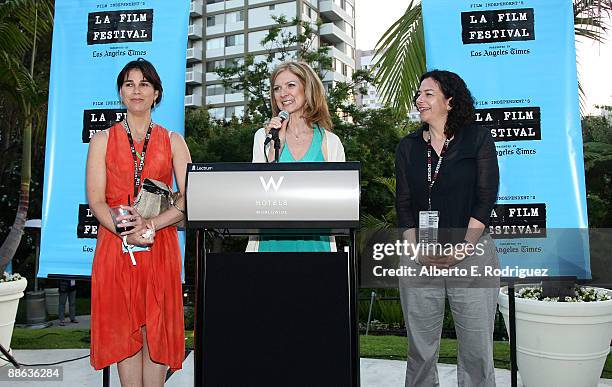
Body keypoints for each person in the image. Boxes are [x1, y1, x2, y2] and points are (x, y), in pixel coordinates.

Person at [86, 58, 191, 386]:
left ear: (156, 93)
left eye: (144, 84)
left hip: (159, 246)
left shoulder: (173, 141)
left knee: (155, 328)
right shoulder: (101, 140)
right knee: (125, 328)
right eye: (129, 84)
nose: (136, 90)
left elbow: (189, 199)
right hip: (116, 247)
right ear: (120, 92)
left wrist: (152, 225)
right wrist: (124, 232)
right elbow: (96, 199)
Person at [395, 70, 500, 387]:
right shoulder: (408, 146)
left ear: (450, 101)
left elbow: (485, 198)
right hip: (419, 258)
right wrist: (415, 249)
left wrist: (464, 247)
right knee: (420, 350)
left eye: (428, 93)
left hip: (472, 254)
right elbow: (403, 203)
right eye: (418, 93)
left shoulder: (477, 138)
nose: (419, 99)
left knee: (476, 350)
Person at [248, 60, 345, 252]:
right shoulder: (263, 137)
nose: (283, 93)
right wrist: (277, 145)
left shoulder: (331, 142)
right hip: (270, 247)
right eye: (277, 88)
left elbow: (339, 202)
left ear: (307, 89)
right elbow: (256, 196)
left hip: (317, 248)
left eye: (290, 85)